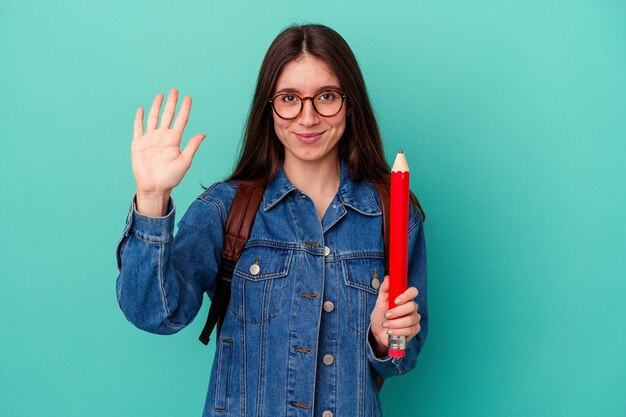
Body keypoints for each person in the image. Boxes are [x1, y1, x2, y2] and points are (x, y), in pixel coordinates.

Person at [116, 24, 428, 417]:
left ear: (350, 103)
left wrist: (386, 340)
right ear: (270, 106)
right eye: (289, 98)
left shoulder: (393, 216)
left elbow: (404, 357)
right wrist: (151, 198)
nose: (308, 117)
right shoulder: (225, 209)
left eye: (326, 96)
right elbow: (153, 313)